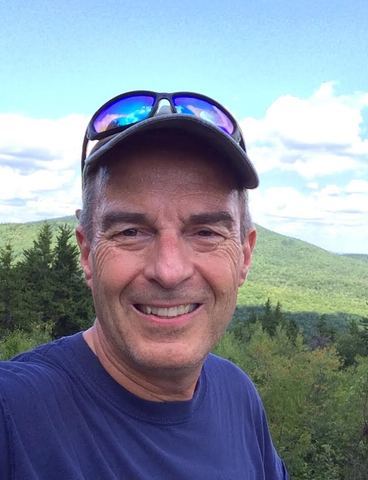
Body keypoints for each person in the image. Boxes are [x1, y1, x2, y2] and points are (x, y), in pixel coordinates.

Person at [0, 91, 289, 479]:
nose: (169, 272)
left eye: (206, 232)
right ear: (87, 253)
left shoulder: (237, 397)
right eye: (131, 232)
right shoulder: (16, 414)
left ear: (244, 255)